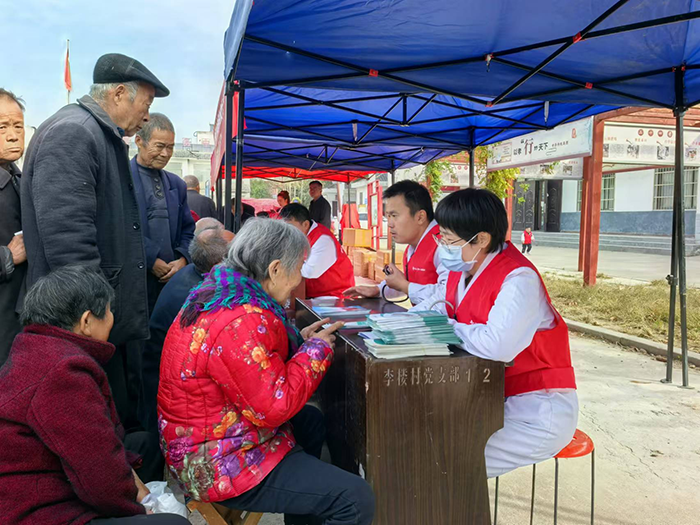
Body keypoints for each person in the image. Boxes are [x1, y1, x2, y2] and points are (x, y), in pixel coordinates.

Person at [158, 219, 374, 525]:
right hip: (217, 462)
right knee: (355, 499)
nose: (299, 278)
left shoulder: (220, 291)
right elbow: (274, 408)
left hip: (208, 440)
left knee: (310, 422)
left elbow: (253, 370)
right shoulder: (240, 318)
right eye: (298, 267)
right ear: (274, 269)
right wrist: (316, 351)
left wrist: (301, 343)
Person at [20, 53, 170, 429]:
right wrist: (94, 314)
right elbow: (68, 243)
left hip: (95, 322)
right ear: (119, 93)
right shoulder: (74, 132)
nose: (147, 116)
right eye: (146, 104)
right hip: (79, 325)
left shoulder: (96, 134)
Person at [0, 266, 189, 525]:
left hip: (50, 476)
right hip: (33, 508)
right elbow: (98, 475)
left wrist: (138, 491)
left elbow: (98, 445)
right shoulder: (63, 371)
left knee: (146, 443)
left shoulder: (35, 346)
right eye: (110, 311)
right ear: (87, 321)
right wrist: (143, 508)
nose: (112, 318)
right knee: (172, 523)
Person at [412, 188, 578, 479]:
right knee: (425, 440)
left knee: (447, 460)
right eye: (442, 238)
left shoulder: (518, 279)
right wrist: (400, 324)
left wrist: (446, 328)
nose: (442, 247)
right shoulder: (463, 266)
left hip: (535, 410)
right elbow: (437, 306)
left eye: (449, 240)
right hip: (490, 399)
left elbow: (496, 345)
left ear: (482, 239)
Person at [140, 226, 234, 435]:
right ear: (221, 264)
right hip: (172, 407)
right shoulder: (201, 297)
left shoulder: (192, 273)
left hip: (163, 386)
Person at [344, 180, 446, 305]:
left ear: (420, 217)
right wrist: (377, 290)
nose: (390, 224)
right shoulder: (412, 247)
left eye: (394, 215)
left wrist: (404, 286)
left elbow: (448, 294)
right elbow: (413, 284)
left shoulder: (444, 244)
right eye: (388, 217)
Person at [132, 113, 195, 315]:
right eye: (160, 146)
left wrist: (183, 260)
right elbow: (118, 230)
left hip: (171, 281)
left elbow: (188, 230)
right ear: (139, 141)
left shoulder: (177, 184)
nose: (166, 154)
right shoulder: (120, 178)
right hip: (134, 282)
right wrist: (150, 260)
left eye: (170, 147)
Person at [0, 89, 27, 365]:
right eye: (2, 127)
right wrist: (7, 256)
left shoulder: (22, 178)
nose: (12, 135)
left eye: (17, 126)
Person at [279, 203, 355, 298]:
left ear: (305, 224)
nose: (287, 231)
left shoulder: (323, 240)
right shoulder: (299, 236)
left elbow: (309, 272)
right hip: (313, 294)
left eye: (290, 227)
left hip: (334, 297)